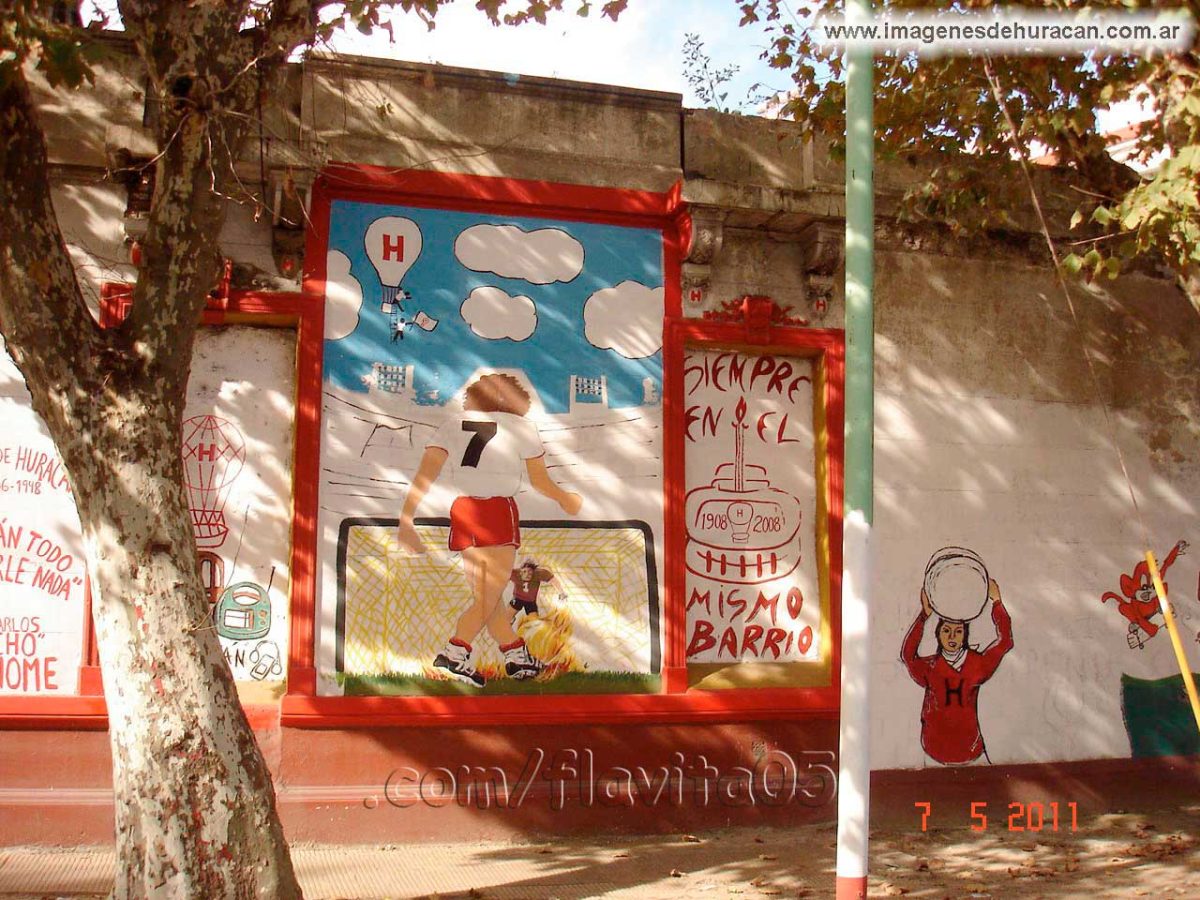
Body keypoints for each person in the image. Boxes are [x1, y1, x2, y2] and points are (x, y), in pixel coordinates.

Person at [396, 373, 582, 687]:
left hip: (464, 510)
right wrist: (565, 498)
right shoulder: (522, 427)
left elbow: (427, 472)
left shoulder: (452, 424)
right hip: (496, 511)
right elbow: (539, 481)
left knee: (488, 597)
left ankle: (516, 656)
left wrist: (406, 519)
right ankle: (455, 652)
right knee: (487, 597)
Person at [900, 578, 1013, 765]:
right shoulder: (931, 666)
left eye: (958, 631)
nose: (952, 636)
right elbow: (908, 655)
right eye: (946, 631)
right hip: (933, 752)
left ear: (965, 635)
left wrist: (997, 603)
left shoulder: (977, 663)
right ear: (938, 634)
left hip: (971, 752)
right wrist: (924, 615)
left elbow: (1005, 641)